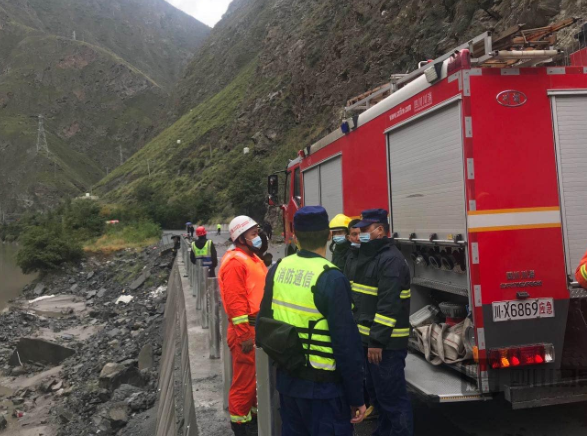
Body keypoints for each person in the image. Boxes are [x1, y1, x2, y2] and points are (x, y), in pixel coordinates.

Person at [257, 206, 366, 435]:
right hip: (325, 391)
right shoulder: (331, 277)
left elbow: (263, 326)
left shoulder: (277, 270)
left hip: (288, 384)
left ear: (295, 235)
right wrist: (356, 397)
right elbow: (346, 345)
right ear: (328, 235)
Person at [351, 209, 412, 436]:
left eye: (365, 230)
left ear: (380, 230)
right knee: (380, 396)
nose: (361, 233)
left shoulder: (391, 260)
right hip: (370, 341)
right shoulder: (371, 256)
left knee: (393, 399)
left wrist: (376, 340)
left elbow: (388, 306)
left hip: (386, 345)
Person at [218, 216, 268, 436]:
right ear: (240, 238)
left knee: (256, 381)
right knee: (244, 383)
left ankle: (255, 421)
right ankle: (241, 426)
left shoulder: (252, 258)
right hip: (246, 331)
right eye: (253, 234)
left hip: (257, 328)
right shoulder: (236, 262)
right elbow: (236, 302)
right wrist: (244, 335)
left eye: (258, 233)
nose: (258, 238)